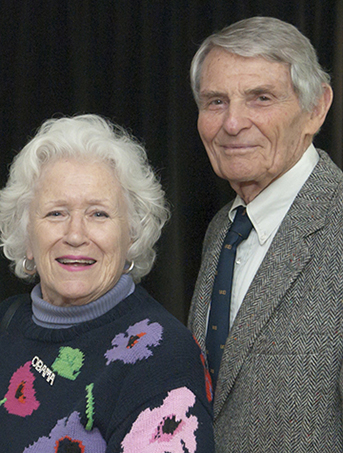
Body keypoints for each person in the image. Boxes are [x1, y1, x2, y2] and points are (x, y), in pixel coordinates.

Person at [0, 114, 214, 452]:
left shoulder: (163, 358)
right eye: (56, 213)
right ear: (26, 234)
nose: (75, 235)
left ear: (131, 235)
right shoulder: (6, 321)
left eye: (98, 214)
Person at [187, 16, 343, 452]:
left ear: (316, 108)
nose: (233, 123)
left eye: (260, 98)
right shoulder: (224, 228)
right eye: (216, 101)